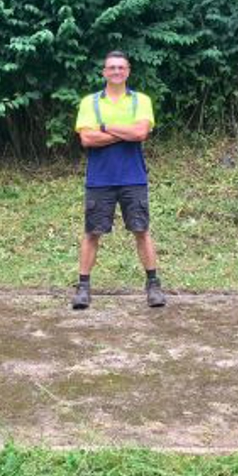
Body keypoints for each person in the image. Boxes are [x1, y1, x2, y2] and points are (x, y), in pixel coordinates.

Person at [71, 51, 166, 310]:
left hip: (133, 177)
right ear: (104, 72)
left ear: (128, 71)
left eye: (120, 68)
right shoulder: (90, 102)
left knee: (141, 230)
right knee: (92, 233)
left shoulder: (141, 101)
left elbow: (140, 132)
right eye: (111, 67)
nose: (116, 71)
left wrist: (103, 127)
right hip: (99, 179)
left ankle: (153, 285)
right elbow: (87, 139)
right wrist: (124, 132)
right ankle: (83, 287)